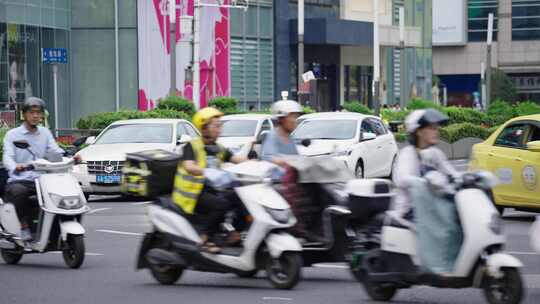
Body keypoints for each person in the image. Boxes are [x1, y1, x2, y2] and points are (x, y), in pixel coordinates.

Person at [392, 109, 462, 273]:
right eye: (431, 128)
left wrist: (466, 178)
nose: (435, 131)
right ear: (418, 131)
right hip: (410, 210)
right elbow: (402, 178)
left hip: (431, 206)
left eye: (436, 128)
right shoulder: (407, 154)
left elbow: (451, 172)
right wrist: (424, 181)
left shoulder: (436, 154)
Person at [173, 107, 247, 253]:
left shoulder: (219, 148)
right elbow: (189, 166)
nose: (220, 129)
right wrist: (206, 171)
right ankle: (205, 237)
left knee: (243, 198)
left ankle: (235, 233)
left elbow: (236, 159)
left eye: (220, 126)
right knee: (221, 205)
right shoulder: (192, 146)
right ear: (204, 128)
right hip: (192, 194)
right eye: (216, 126)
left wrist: (255, 163)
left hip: (212, 190)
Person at [2, 97, 65, 241]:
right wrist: (15, 166)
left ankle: (54, 230)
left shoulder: (45, 133)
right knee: (19, 192)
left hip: (43, 180)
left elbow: (55, 151)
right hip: (21, 180)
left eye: (39, 112)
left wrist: (70, 156)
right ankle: (22, 225)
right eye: (32, 112)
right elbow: (8, 157)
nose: (36, 116)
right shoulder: (13, 135)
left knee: (60, 194)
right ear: (24, 114)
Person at [260, 97, 303, 166]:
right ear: (282, 118)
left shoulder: (290, 138)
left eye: (296, 117)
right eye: (293, 117)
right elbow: (268, 158)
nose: (295, 121)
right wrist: (290, 161)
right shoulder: (273, 136)